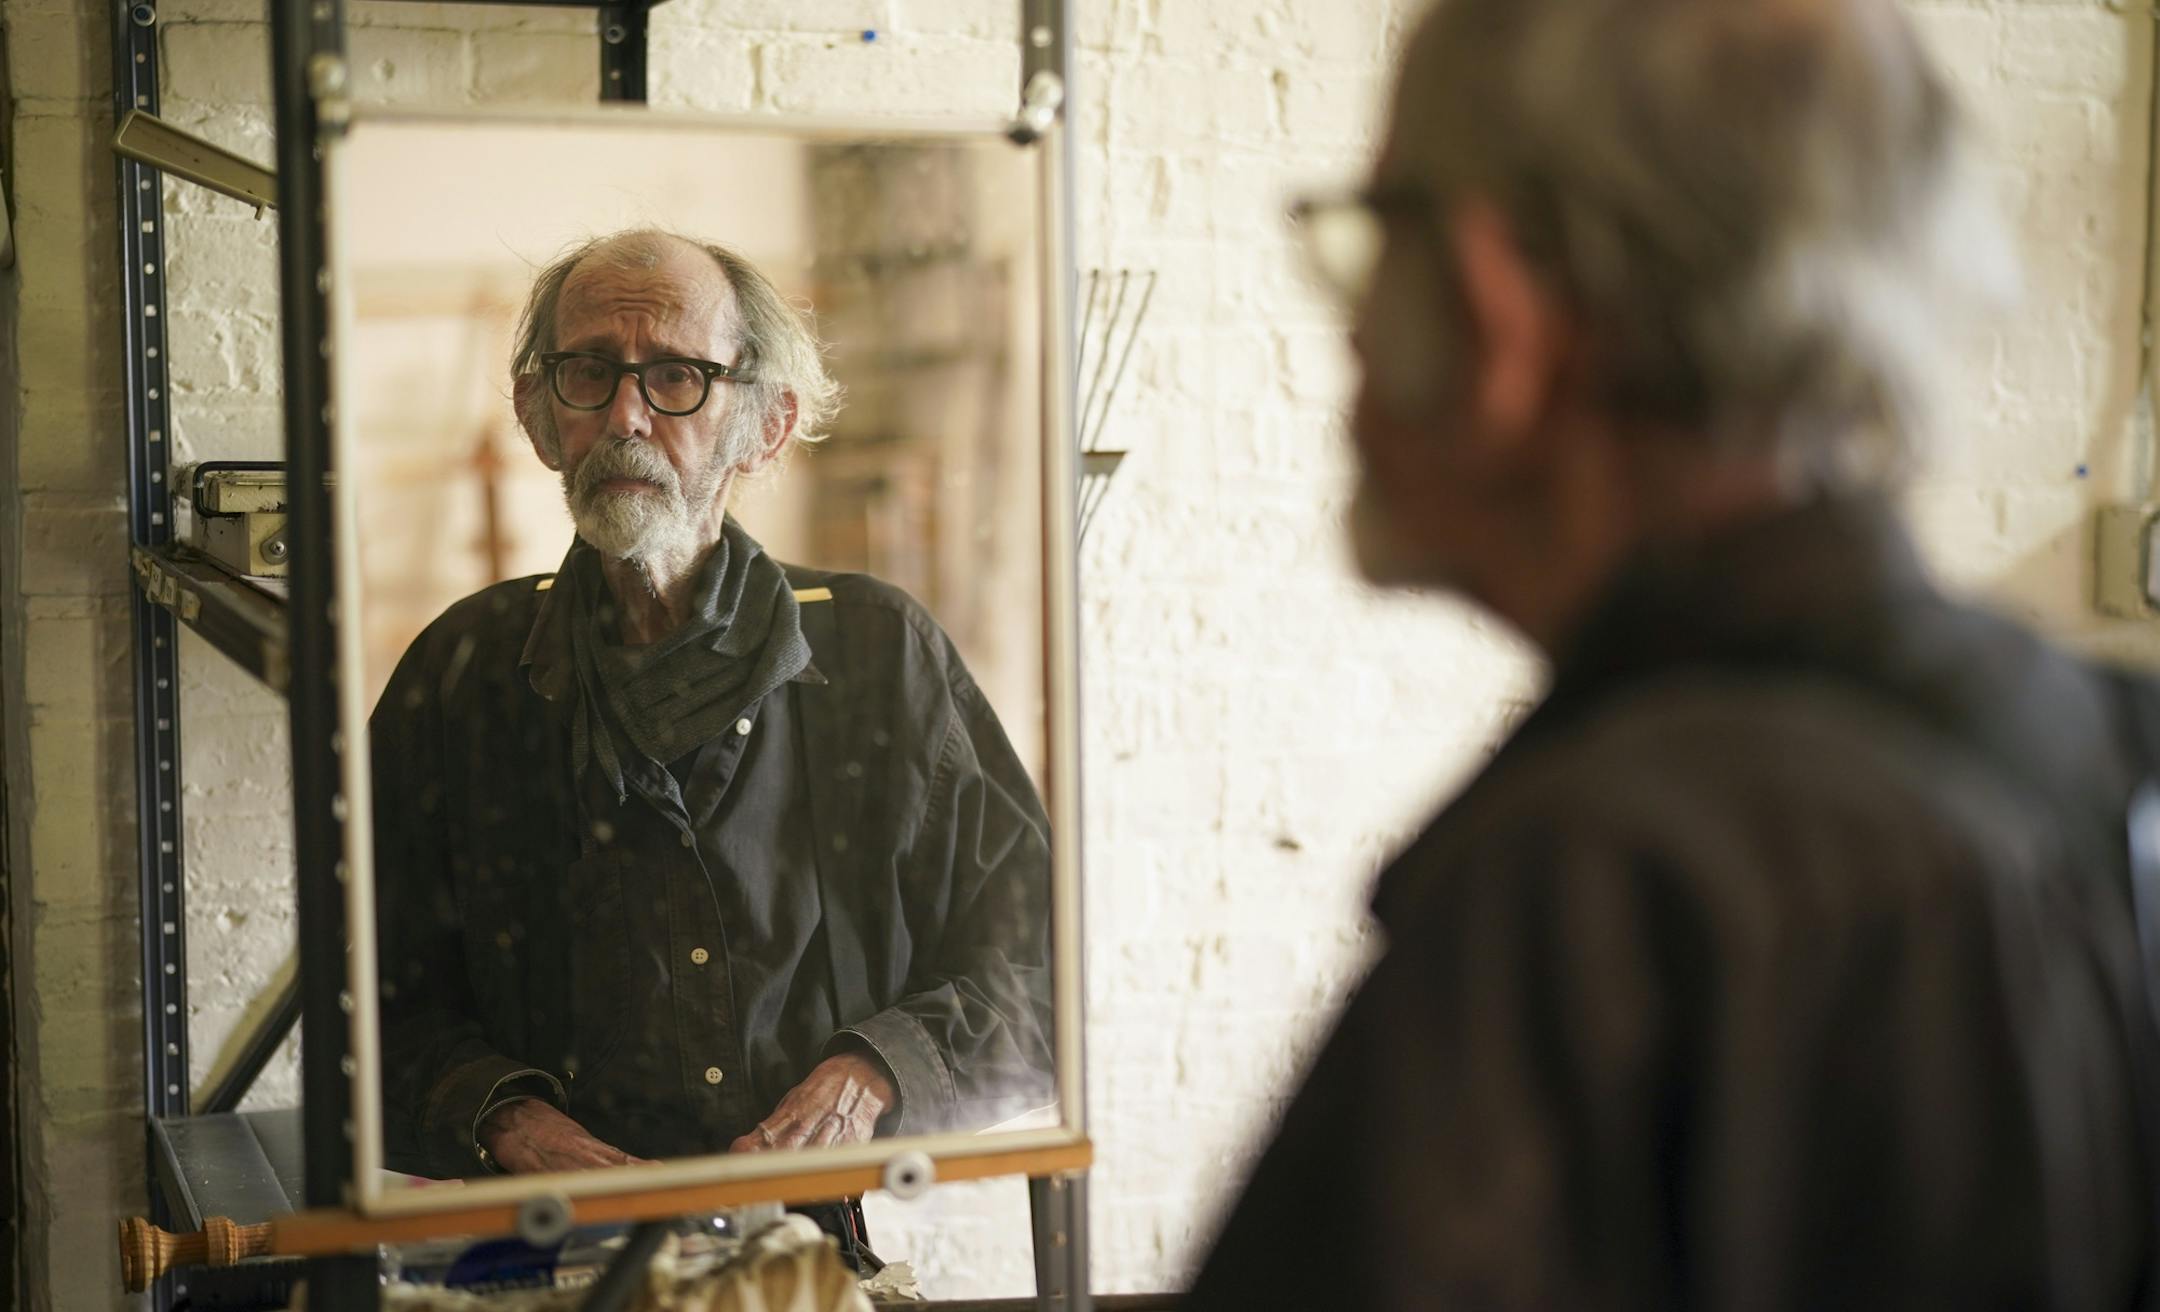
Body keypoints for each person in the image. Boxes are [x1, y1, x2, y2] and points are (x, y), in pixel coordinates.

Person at [1189, 0, 2159, 1306]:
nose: (1352, 335)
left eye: (1376, 244)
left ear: (1499, 307)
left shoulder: (1597, 901)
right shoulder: (2119, 753)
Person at [368, 230, 1053, 1189]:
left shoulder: (880, 655)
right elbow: (367, 1002)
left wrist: (870, 1076)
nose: (626, 417)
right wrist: (506, 1118)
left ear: (766, 424)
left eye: (677, 378)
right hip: (539, 1239)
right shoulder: (464, 666)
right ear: (536, 414)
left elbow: (1038, 974)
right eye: (588, 373)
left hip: (802, 1245)